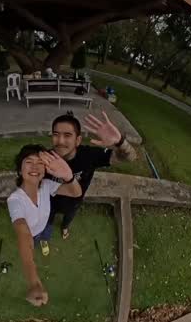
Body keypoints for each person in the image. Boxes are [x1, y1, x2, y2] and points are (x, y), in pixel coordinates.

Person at [7, 144, 82, 306]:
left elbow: (76, 192)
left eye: (40, 163)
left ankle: (43, 241)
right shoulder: (15, 200)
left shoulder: (47, 184)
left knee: (46, 235)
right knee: (32, 242)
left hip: (45, 225)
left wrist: (68, 176)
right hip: (32, 234)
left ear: (45, 169)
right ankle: (39, 242)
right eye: (29, 162)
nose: (35, 167)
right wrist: (34, 282)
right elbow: (23, 233)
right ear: (19, 170)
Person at [46, 109, 136, 240]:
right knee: (48, 219)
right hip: (50, 201)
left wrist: (120, 142)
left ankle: (64, 227)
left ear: (78, 140)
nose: (60, 140)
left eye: (67, 135)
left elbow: (130, 157)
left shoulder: (89, 155)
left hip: (73, 203)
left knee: (68, 218)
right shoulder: (46, 157)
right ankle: (46, 229)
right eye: (56, 134)